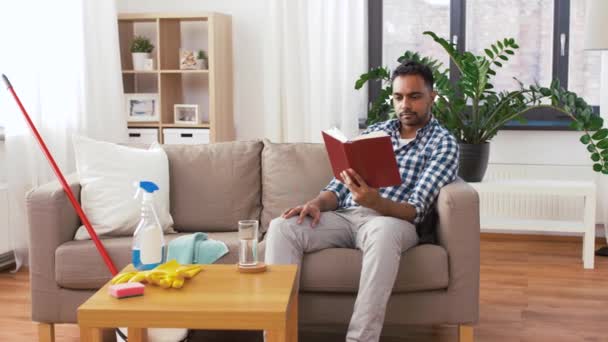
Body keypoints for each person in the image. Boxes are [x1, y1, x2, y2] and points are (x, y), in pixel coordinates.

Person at [264, 60, 460, 342]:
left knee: (384, 233)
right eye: (398, 97)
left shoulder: (442, 143)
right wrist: (317, 203)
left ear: (432, 97)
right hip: (347, 216)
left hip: (392, 221)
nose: (405, 104)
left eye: (414, 96)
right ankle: (277, 336)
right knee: (283, 227)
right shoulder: (376, 132)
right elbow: (339, 185)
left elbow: (416, 210)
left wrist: (376, 202)